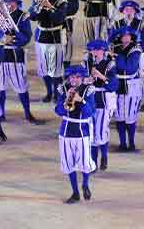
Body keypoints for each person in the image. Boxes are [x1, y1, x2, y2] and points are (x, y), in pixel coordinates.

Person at [55, 64, 96, 203]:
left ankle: (85, 184)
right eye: (72, 76)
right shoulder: (62, 89)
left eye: (78, 77)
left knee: (85, 162)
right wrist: (65, 99)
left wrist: (81, 100)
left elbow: (90, 112)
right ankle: (75, 192)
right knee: (68, 163)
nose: (74, 79)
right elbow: (59, 111)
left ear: (82, 78)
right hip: (65, 131)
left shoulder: (89, 90)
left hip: (82, 131)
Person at [0, 0, 39, 124]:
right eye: (6, 2)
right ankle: (0, 113)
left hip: (15, 55)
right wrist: (2, 39)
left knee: (21, 85)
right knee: (0, 86)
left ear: (17, 2)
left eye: (11, 2)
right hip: (0, 55)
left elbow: (26, 37)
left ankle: (27, 112)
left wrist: (13, 38)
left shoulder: (23, 16)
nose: (8, 4)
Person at [28, 0, 67, 103]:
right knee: (43, 68)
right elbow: (32, 17)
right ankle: (49, 92)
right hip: (41, 37)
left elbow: (59, 19)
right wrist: (36, 8)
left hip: (54, 38)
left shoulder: (61, 1)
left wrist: (50, 7)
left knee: (55, 69)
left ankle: (57, 93)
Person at [84, 40, 117, 170]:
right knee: (91, 133)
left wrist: (101, 76)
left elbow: (114, 85)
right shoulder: (86, 63)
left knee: (101, 132)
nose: (94, 53)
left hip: (104, 100)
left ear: (103, 51)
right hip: (90, 101)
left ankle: (104, 156)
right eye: (92, 50)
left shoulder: (110, 64)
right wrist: (86, 80)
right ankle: (93, 163)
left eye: (97, 50)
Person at [111, 26, 143, 152]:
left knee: (130, 116)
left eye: (128, 36)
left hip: (132, 86)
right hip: (118, 85)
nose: (125, 38)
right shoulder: (115, 49)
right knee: (119, 116)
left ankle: (132, 143)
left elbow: (128, 67)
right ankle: (122, 143)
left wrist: (115, 57)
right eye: (123, 36)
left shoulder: (136, 49)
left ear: (132, 37)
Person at [50, 0, 80, 72]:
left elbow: (74, 7)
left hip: (67, 21)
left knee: (67, 41)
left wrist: (60, 11)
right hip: (53, 21)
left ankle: (67, 64)